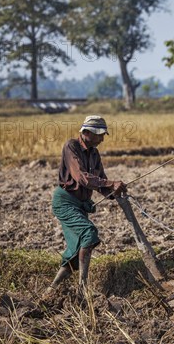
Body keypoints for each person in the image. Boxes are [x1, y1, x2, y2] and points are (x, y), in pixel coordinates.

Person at [44, 115, 126, 298]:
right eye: (99, 135)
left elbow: (101, 181)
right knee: (89, 234)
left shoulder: (95, 154)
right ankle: (83, 287)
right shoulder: (71, 146)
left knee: (77, 249)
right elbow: (82, 177)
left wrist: (114, 191)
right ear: (86, 133)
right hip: (65, 202)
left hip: (81, 204)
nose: (102, 139)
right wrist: (110, 183)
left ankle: (51, 289)